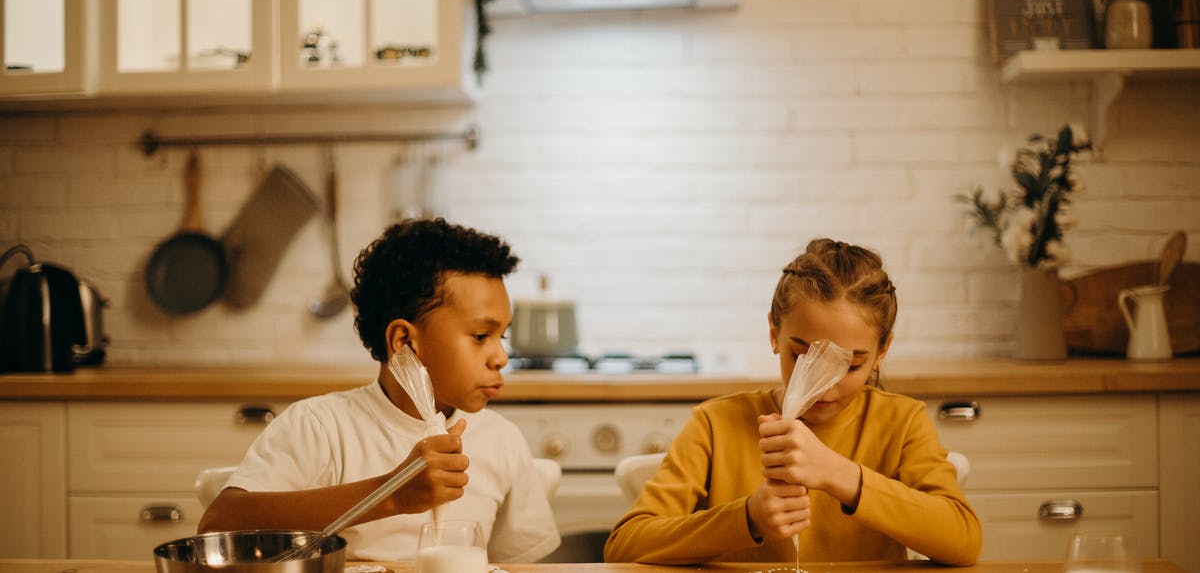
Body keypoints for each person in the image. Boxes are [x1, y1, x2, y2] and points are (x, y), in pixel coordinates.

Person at [199, 218, 560, 563]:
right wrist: (390, 493)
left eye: (503, 336)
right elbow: (219, 527)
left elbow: (519, 564)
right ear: (404, 341)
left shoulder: (502, 440)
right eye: (481, 336)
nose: (500, 357)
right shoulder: (320, 428)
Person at [604, 238, 982, 566]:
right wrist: (747, 518)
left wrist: (840, 474)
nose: (825, 389)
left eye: (850, 366)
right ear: (774, 333)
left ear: (882, 352)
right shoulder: (715, 424)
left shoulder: (902, 422)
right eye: (802, 357)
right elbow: (625, 546)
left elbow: (963, 540)